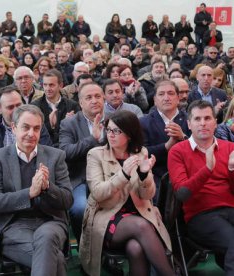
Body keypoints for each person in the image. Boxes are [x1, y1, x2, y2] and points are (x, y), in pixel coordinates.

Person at [80, 110, 173, 276]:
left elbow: (147, 196)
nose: (111, 134)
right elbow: (98, 193)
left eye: (117, 131)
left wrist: (144, 175)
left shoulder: (141, 152)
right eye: (108, 130)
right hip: (107, 217)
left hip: (139, 212)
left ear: (130, 134)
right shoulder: (95, 155)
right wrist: (123, 175)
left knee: (135, 248)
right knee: (141, 225)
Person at [0, 104, 73, 275]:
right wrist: (29, 193)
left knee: (46, 237)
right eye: (26, 127)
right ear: (13, 127)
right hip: (14, 227)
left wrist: (48, 187)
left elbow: (68, 200)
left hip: (50, 223)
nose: (31, 134)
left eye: (37, 128)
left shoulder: (56, 156)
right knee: (57, 259)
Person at [168, 100, 234, 274]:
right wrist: (207, 169)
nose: (203, 123)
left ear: (215, 122)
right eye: (197, 119)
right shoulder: (178, 151)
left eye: (207, 118)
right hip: (201, 216)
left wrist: (233, 170)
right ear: (189, 124)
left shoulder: (230, 148)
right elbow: (182, 194)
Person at [59, 82, 106, 245]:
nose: (94, 100)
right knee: (80, 209)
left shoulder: (113, 120)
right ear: (80, 103)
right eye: (89, 97)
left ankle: (108, 249)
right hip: (80, 178)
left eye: (98, 96)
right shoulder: (69, 123)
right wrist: (92, 139)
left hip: (109, 177)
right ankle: (85, 249)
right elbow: (65, 152)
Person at [0, 86, 52, 189]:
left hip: (32, 176)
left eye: (18, 105)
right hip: (1, 180)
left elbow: (47, 153)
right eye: (10, 107)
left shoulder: (36, 125)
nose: (16, 110)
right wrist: (11, 170)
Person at [140, 80, 190, 194]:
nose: (166, 98)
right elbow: (142, 153)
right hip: (157, 178)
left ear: (178, 98)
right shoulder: (143, 122)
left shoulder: (190, 120)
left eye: (171, 93)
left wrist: (183, 137)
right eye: (161, 94)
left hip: (188, 174)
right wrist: (167, 146)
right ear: (155, 100)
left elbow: (201, 147)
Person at [32, 69, 80, 146]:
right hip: (43, 150)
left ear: (60, 86)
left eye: (51, 85)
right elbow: (33, 132)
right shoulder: (35, 106)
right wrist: (49, 125)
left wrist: (70, 123)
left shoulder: (72, 105)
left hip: (66, 150)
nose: (47, 89)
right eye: (45, 85)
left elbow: (78, 131)